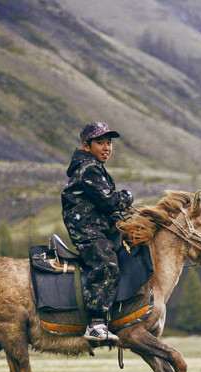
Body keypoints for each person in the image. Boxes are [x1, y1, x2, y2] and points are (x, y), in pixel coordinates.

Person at [61, 122, 134, 343]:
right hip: (87, 229)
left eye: (109, 143)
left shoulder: (93, 166)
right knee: (106, 264)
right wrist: (127, 197)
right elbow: (109, 201)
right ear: (86, 145)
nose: (107, 147)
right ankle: (95, 323)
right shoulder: (89, 169)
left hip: (97, 225)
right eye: (100, 142)